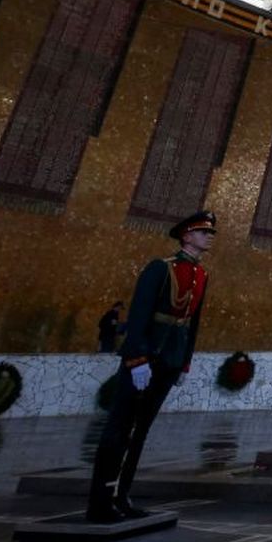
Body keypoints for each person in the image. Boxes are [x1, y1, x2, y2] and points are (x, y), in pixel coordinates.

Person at [87, 211, 214, 523]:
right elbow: (140, 315)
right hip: (146, 358)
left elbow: (192, 324)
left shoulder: (201, 275)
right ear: (186, 236)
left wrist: (184, 363)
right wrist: (136, 359)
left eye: (210, 233)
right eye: (203, 232)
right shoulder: (161, 268)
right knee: (120, 427)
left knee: (140, 430)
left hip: (170, 359)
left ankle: (122, 496)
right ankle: (101, 501)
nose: (209, 237)